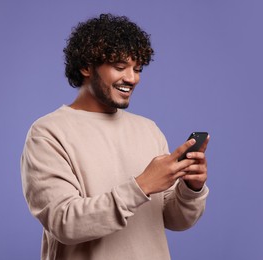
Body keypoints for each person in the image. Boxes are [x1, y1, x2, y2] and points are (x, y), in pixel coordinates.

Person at [21, 13, 210, 260]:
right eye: (120, 67)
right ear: (86, 67)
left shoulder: (149, 130)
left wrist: (190, 187)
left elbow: (175, 220)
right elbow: (64, 222)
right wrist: (141, 185)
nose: (132, 78)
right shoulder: (47, 133)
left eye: (137, 69)